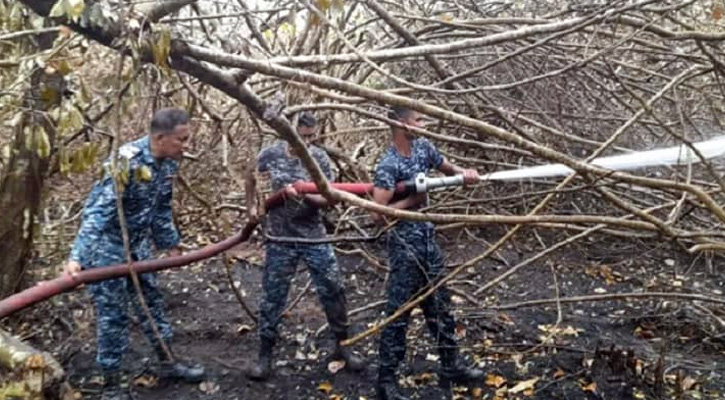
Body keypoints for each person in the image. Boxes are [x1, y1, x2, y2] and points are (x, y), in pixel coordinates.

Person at [62, 108, 205, 400]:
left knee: (152, 304)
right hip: (108, 249)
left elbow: (162, 207)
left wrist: (170, 243)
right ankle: (111, 386)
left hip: (139, 247)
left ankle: (168, 362)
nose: (186, 145)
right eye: (182, 140)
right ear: (160, 138)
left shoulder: (167, 163)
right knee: (113, 317)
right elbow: (97, 212)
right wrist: (77, 255)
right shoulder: (125, 161)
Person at [371, 106, 484, 400]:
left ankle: (451, 366)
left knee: (440, 307)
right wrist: (411, 201)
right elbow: (378, 215)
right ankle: (386, 381)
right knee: (399, 314)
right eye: (418, 120)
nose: (424, 124)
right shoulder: (388, 164)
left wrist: (465, 174)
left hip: (428, 243)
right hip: (404, 248)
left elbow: (448, 168)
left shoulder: (424, 148)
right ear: (400, 124)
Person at [245, 111, 364, 381]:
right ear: (289, 132)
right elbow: (250, 177)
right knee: (272, 297)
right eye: (302, 136)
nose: (306, 143)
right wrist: (252, 206)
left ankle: (342, 347)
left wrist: (305, 194)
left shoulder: (319, 158)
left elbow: (331, 199)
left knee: (333, 288)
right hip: (280, 238)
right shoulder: (270, 155)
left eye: (311, 137)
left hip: (313, 236)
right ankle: (265, 356)